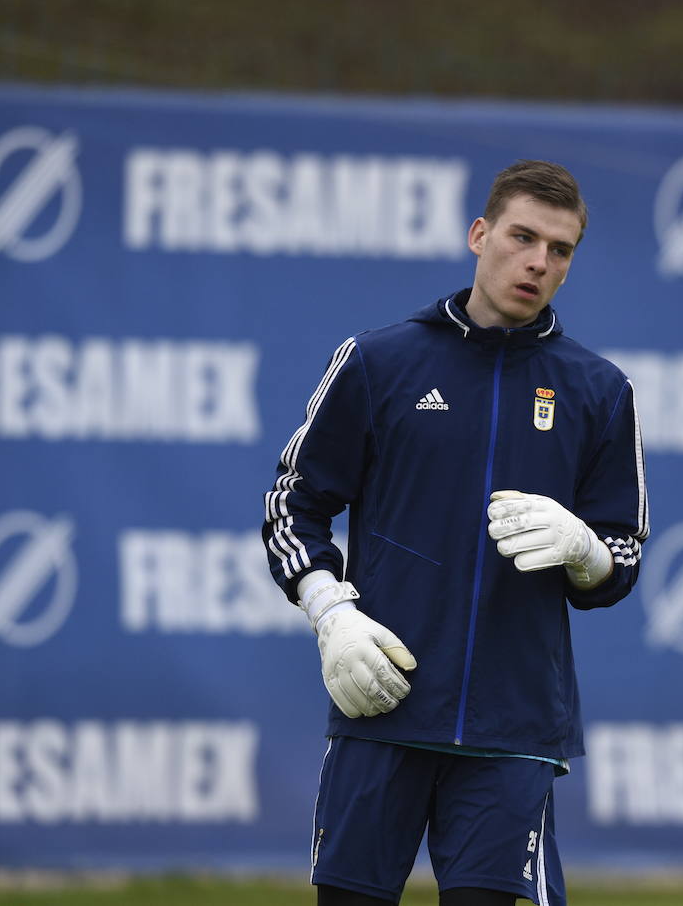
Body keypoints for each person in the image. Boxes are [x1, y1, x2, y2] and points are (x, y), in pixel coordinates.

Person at [262, 159, 649, 906]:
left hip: (515, 730)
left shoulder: (600, 391)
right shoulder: (380, 361)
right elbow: (292, 501)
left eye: (560, 249)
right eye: (522, 236)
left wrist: (585, 549)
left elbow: (623, 558)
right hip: (382, 705)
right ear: (480, 234)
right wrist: (328, 610)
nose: (538, 261)